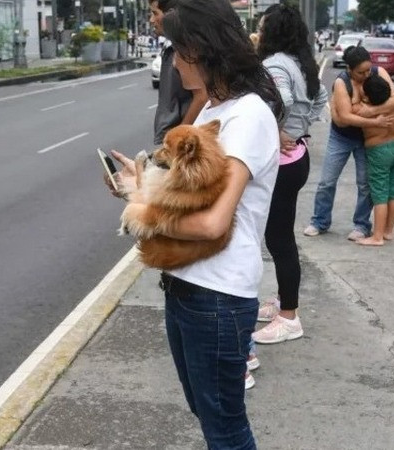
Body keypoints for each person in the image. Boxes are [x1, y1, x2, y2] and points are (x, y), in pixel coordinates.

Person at [105, 0, 283, 447]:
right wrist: (140, 187)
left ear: (204, 51)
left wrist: (141, 216)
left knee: (225, 427)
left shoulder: (247, 116)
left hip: (218, 295)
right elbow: (188, 196)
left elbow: (211, 223)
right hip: (187, 287)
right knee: (208, 416)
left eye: (178, 51)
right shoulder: (211, 110)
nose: (174, 62)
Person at [252, 4, 328, 351]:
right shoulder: (302, 62)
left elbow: (276, 99)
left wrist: (279, 129)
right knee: (281, 237)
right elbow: (321, 98)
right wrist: (299, 128)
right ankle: (284, 301)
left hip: (282, 162)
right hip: (297, 156)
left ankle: (289, 317)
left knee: (279, 241)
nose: (259, 30)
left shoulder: (274, 64)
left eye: (263, 26)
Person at [303, 45, 394, 241]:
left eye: (368, 69)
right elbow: (343, 118)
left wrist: (361, 112)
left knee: (365, 184)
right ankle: (320, 221)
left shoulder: (379, 73)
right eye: (361, 72)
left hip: (368, 140)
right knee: (327, 181)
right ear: (349, 69)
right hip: (341, 138)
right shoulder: (342, 83)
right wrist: (375, 119)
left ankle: (361, 225)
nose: (366, 74)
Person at [353, 73, 394, 246]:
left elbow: (351, 111)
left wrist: (360, 95)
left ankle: (377, 237)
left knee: (380, 193)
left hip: (379, 150)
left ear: (367, 95)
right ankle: (389, 232)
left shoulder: (363, 110)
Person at [148, 0, 207, 147]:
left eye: (155, 13)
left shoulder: (183, 50)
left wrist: (179, 138)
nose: (151, 20)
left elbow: (201, 96)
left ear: (171, 15)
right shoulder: (172, 48)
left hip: (183, 145)